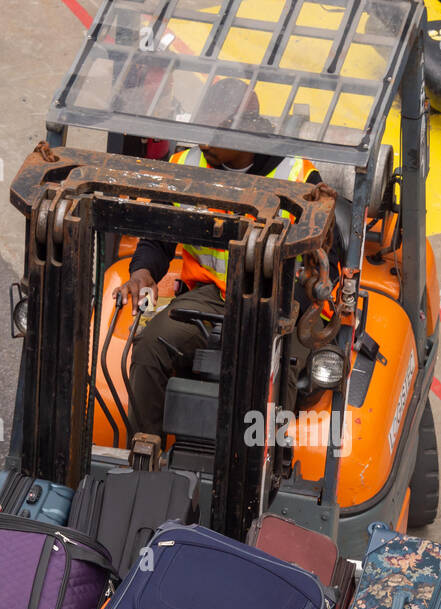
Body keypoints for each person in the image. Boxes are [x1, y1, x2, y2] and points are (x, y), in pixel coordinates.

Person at [116, 78, 323, 439]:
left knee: (279, 364)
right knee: (151, 345)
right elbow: (158, 234)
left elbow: (317, 265)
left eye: (216, 132)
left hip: (277, 301)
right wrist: (144, 271)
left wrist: (279, 315)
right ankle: (145, 451)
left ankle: (272, 463)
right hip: (210, 296)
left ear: (249, 130)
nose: (204, 141)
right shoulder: (187, 165)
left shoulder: (298, 176)